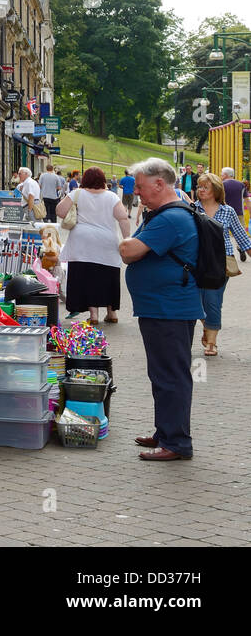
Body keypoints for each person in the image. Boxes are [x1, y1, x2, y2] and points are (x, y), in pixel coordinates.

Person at [119, 158, 203, 461]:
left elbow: (129, 251)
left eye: (140, 187)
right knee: (163, 373)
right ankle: (165, 431)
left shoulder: (170, 219)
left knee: (171, 376)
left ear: (159, 183)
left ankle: (177, 443)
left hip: (170, 310)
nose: (137, 193)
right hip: (162, 308)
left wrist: (128, 243)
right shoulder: (162, 214)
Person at [57, 167, 130, 323]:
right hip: (107, 240)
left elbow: (60, 212)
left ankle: (94, 315)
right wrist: (127, 239)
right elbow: (123, 218)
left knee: (87, 277)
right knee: (109, 275)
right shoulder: (111, 196)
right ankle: (112, 313)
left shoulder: (77, 193)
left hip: (82, 241)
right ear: (103, 180)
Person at [193, 172, 250, 357]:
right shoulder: (192, 209)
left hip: (221, 263)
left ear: (216, 190)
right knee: (197, 302)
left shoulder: (228, 211)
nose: (201, 190)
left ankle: (211, 342)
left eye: (205, 187)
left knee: (213, 301)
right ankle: (207, 325)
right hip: (197, 261)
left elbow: (242, 237)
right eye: (199, 186)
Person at [219, 168, 247, 260]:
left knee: (223, 233)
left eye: (222, 174)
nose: (221, 176)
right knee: (240, 232)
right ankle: (241, 247)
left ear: (226, 175)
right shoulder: (241, 185)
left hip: (224, 213)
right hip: (239, 213)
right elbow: (247, 200)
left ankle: (226, 253)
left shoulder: (221, 185)